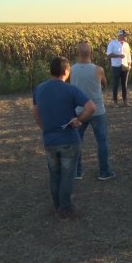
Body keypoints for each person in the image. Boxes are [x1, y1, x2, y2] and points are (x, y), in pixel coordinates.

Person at [32, 57, 96, 219]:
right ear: (66, 72)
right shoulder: (71, 90)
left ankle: (57, 205)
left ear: (51, 70)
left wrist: (45, 128)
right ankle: (65, 208)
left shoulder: (39, 89)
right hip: (69, 140)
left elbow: (36, 113)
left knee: (54, 174)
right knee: (67, 175)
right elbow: (91, 107)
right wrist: (79, 120)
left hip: (49, 140)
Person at [70, 41, 116, 181]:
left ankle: (77, 172)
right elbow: (105, 84)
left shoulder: (71, 69)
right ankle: (104, 171)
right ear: (91, 53)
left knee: (77, 142)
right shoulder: (99, 69)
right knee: (102, 142)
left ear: (78, 53)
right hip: (97, 111)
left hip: (79, 112)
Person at [107, 29, 132, 107]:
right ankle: (115, 102)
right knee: (115, 84)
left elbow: (128, 55)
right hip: (116, 66)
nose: (126, 37)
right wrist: (118, 56)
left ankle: (125, 101)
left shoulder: (126, 44)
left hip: (125, 66)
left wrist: (129, 65)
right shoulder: (112, 43)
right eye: (125, 36)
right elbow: (109, 54)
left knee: (124, 85)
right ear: (120, 35)